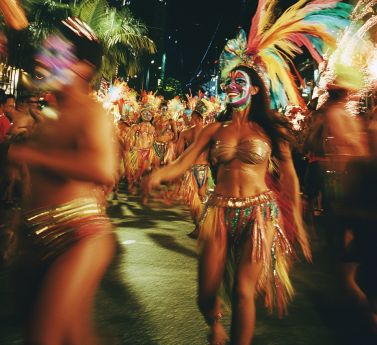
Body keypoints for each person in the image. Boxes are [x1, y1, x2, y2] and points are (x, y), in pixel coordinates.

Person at [144, 65, 311, 345]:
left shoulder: (272, 128)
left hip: (259, 214)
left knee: (243, 292)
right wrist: (158, 175)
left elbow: (290, 177)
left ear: (255, 89)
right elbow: (184, 162)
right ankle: (214, 322)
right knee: (205, 293)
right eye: (228, 81)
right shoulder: (214, 129)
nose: (230, 85)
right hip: (219, 211)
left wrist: (299, 224)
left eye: (239, 81)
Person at [7, 18, 117, 345]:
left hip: (79, 239)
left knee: (42, 338)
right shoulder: (50, 115)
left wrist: (32, 157)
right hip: (38, 239)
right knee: (76, 337)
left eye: (55, 52)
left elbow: (101, 167)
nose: (44, 58)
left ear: (83, 68)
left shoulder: (91, 114)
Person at [176, 99, 215, 236]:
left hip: (191, 170)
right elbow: (214, 153)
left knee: (193, 201)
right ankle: (205, 226)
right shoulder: (210, 133)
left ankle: (199, 227)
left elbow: (179, 152)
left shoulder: (185, 133)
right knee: (204, 198)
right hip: (205, 169)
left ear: (195, 117)